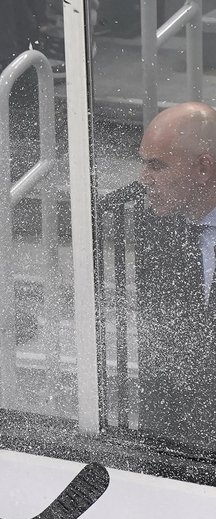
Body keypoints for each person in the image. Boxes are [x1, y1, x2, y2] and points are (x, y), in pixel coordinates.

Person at [131, 101, 216, 445]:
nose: (143, 179)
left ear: (204, 168)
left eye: (157, 165)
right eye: (143, 163)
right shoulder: (156, 227)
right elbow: (159, 365)